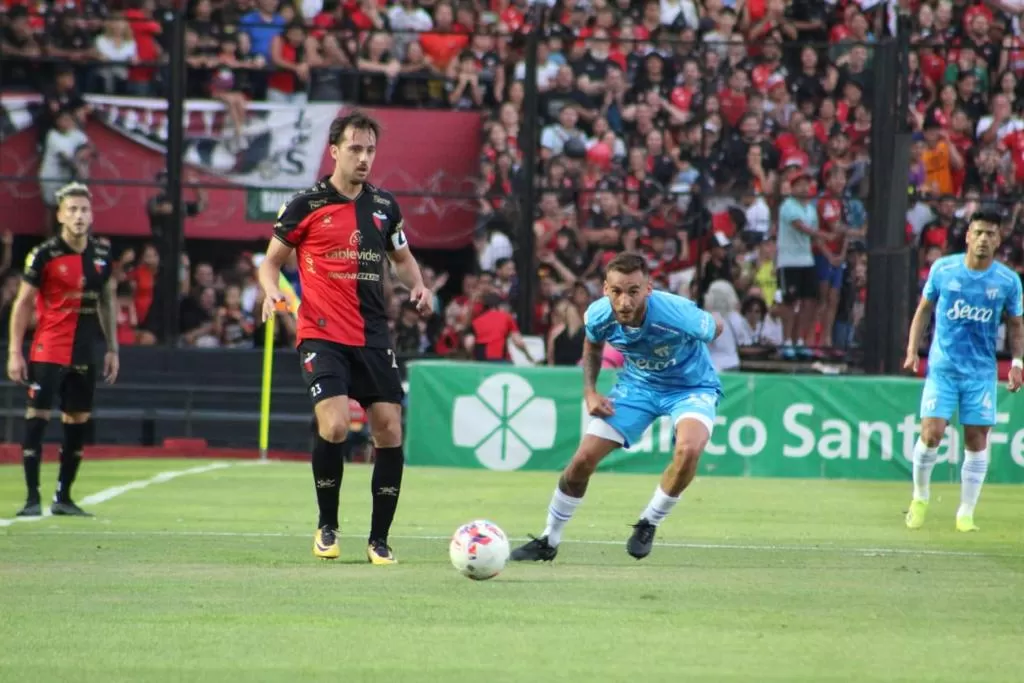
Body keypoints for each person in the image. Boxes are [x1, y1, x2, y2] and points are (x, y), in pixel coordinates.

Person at [257, 111, 432, 564]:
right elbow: (270, 262)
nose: (364, 158)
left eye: (370, 149)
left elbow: (403, 258)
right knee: (334, 425)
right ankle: (327, 525)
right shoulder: (305, 205)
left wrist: (418, 284)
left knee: (390, 431)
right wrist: (273, 292)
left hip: (373, 335)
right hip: (322, 333)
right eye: (355, 148)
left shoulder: (384, 206)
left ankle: (379, 539)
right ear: (334, 150)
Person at [510, 253, 724, 562]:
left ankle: (649, 521)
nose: (624, 301)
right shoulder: (598, 314)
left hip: (690, 388)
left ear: (648, 288)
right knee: (582, 460)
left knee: (689, 451)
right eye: (617, 291)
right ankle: (549, 539)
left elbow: (715, 326)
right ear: (606, 290)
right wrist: (590, 392)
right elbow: (593, 346)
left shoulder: (678, 314)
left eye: (633, 291)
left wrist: (704, 329)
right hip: (637, 388)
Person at [903, 210, 1023, 533]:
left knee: (976, 438)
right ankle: (920, 497)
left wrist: (1017, 363)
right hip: (942, 369)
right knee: (932, 433)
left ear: (999, 240)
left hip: (981, 373)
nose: (984, 239)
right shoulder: (943, 270)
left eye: (991, 234)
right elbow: (923, 310)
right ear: (968, 235)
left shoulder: (1008, 281)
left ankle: (965, 513)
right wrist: (913, 350)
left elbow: (1015, 324)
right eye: (979, 232)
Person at [7, 182, 119, 517]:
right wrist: (14, 350)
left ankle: (63, 497)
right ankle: (30, 498)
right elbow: (23, 303)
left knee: (76, 424)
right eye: (72, 209)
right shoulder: (44, 254)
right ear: (60, 215)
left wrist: (112, 348)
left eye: (84, 209)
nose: (79, 216)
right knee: (37, 422)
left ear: (92, 214)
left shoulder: (101, 256)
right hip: (49, 350)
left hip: (84, 352)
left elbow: (107, 302)